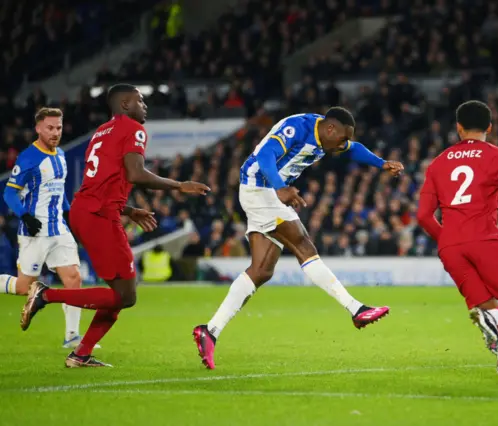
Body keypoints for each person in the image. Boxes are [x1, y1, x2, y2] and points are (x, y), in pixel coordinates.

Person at [192, 107, 404, 370]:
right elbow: (267, 154)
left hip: (265, 191)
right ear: (329, 129)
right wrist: (280, 187)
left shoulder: (329, 136)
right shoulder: (297, 128)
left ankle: (209, 331)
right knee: (303, 244)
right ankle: (355, 308)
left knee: (260, 271)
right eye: (339, 139)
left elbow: (353, 148)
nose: (341, 145)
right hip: (262, 188)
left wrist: (381, 163)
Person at [20, 84, 210, 368]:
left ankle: (80, 354)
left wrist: (129, 209)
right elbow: (136, 173)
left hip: (86, 211)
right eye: (140, 100)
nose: (144, 106)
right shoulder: (132, 128)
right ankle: (46, 295)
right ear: (124, 104)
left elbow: (104, 180)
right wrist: (179, 185)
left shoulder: (101, 132)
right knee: (126, 295)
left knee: (119, 295)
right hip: (98, 216)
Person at [417, 100, 498, 382]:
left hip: (449, 248)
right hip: (484, 239)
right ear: (489, 126)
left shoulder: (437, 163)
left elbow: (424, 216)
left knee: (490, 309)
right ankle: (494, 322)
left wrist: (450, 240)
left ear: (458, 128)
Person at [1, 107, 92, 349]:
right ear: (38, 128)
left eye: (59, 128)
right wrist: (24, 215)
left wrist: (70, 215)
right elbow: (9, 193)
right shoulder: (29, 158)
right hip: (34, 232)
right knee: (23, 287)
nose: (55, 132)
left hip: (59, 230)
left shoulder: (61, 155)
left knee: (73, 279)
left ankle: (72, 336)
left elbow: (59, 191)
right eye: (50, 128)